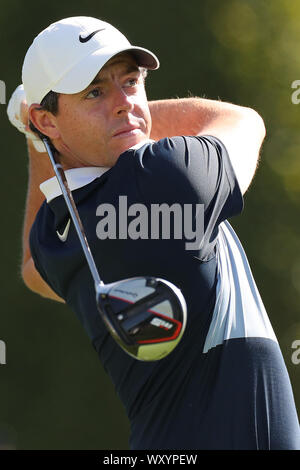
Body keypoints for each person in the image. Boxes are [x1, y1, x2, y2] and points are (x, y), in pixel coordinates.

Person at [8, 15, 300, 450]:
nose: (125, 102)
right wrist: (126, 121)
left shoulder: (58, 234)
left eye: (130, 82)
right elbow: (243, 121)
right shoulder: (167, 175)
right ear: (48, 119)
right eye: (95, 92)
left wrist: (43, 137)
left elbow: (32, 270)